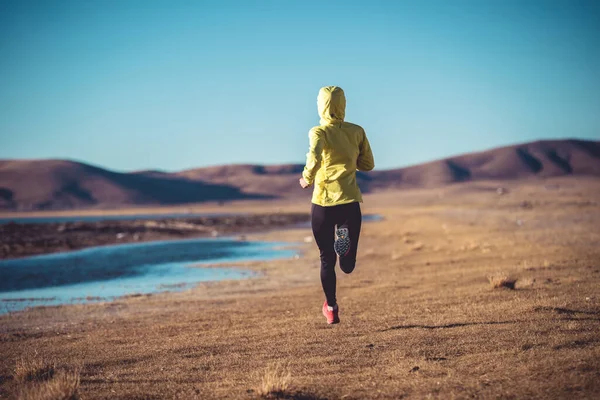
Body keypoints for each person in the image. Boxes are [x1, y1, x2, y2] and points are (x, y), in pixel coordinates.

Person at [299, 86, 375, 324]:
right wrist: (349, 162)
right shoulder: (357, 132)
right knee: (347, 265)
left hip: (322, 203)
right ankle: (344, 243)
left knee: (325, 259)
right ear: (343, 105)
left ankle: (331, 307)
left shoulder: (318, 131)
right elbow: (368, 164)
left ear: (320, 105)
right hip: (349, 202)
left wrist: (306, 178)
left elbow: (314, 155)